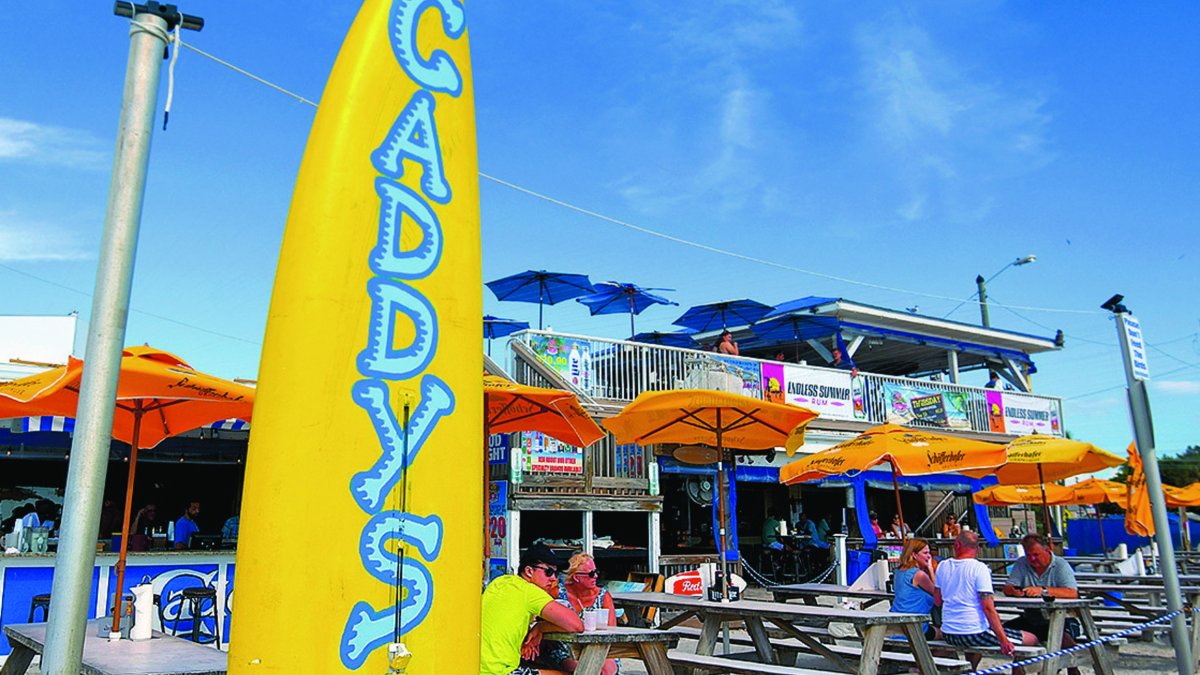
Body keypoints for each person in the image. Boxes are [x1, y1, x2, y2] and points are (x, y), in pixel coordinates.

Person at [935, 531, 1037, 671]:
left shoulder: (942, 566)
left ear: (957, 545)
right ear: (977, 549)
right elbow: (988, 608)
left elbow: (937, 600)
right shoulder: (980, 568)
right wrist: (1003, 640)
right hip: (973, 632)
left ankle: (971, 671)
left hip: (948, 632)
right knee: (1031, 639)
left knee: (976, 643)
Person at [480, 544, 583, 675]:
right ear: (529, 571)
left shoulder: (499, 582)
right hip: (500, 671)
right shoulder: (529, 591)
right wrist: (541, 628)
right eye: (549, 572)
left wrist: (532, 632)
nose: (553, 579)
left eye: (556, 573)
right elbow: (576, 625)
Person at [1002, 533, 1083, 675]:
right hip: (1032, 619)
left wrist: (1043, 591)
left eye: (1036, 555)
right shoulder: (1022, 563)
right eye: (1029, 555)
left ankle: (1070, 667)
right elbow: (1008, 587)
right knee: (1003, 632)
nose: (1032, 559)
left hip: (1064, 619)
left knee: (1059, 636)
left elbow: (1072, 593)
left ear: (1047, 551)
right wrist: (1014, 591)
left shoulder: (1060, 565)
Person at [535, 553, 618, 675]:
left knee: (605, 670)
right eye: (590, 574)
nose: (595, 576)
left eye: (596, 572)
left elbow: (612, 631)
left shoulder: (603, 596)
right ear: (576, 577)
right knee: (582, 669)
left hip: (600, 648)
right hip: (565, 647)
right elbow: (542, 619)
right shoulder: (557, 593)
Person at [892, 537, 940, 640]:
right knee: (946, 636)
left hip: (896, 624)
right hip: (914, 626)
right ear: (914, 555)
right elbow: (937, 594)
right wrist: (931, 569)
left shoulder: (898, 571)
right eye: (925, 553)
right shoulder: (919, 575)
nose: (929, 556)